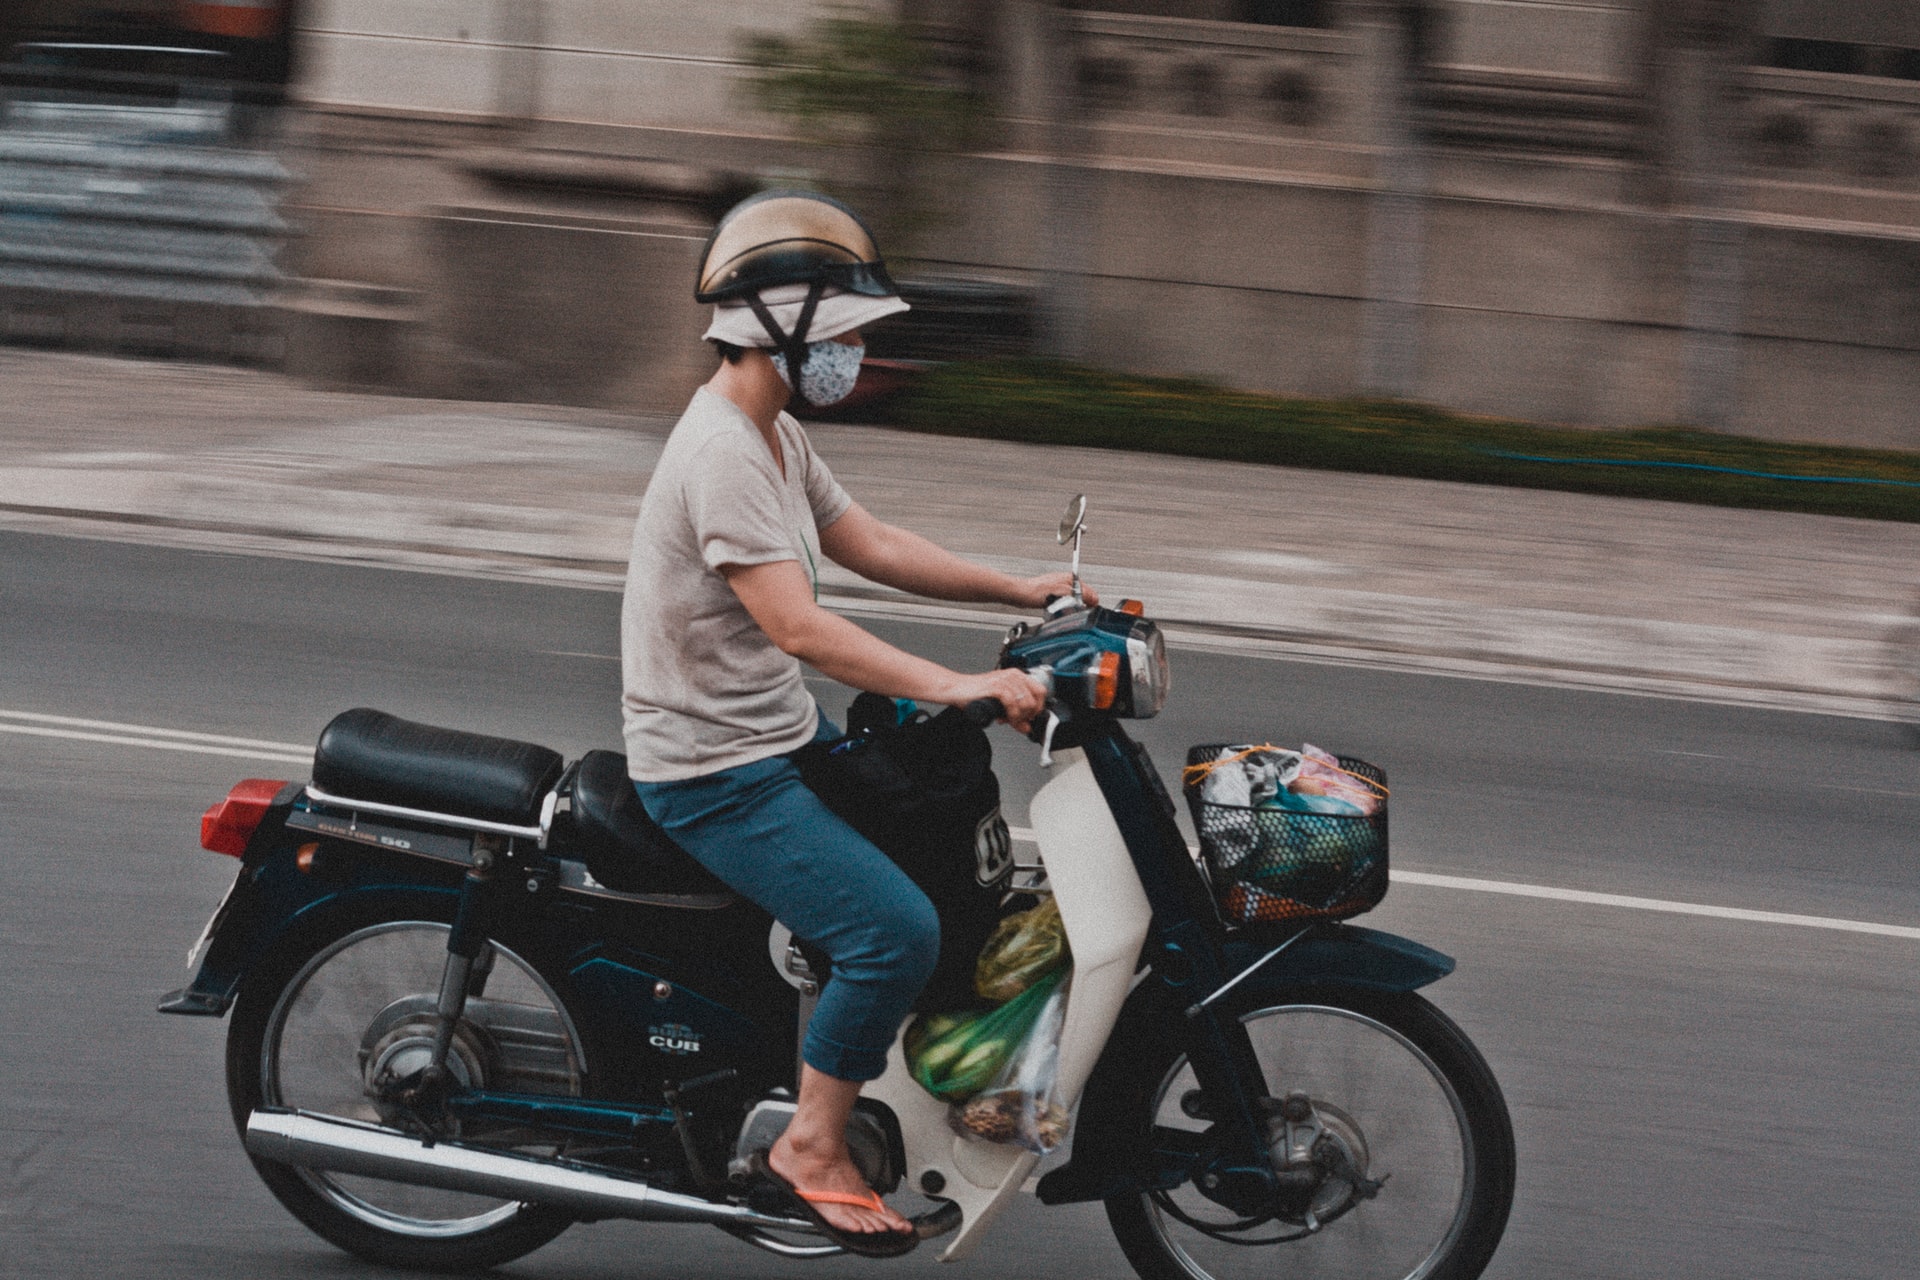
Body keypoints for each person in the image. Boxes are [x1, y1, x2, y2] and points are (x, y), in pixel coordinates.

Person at [620, 191, 1092, 1255]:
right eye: (842, 331)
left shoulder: (772, 433)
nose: (857, 352)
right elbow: (800, 626)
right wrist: (961, 684)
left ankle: (845, 1073)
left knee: (940, 862)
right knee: (895, 929)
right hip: (711, 769)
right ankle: (809, 1147)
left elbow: (867, 540)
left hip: (770, 737)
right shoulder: (723, 455)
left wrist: (1014, 587)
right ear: (783, 329)